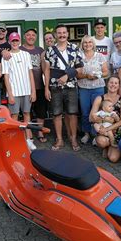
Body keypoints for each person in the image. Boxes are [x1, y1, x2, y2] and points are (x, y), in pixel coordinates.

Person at [44, 24, 83, 152]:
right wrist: (46, 88)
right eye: (59, 33)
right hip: (55, 85)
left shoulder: (75, 48)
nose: (62, 35)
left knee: (72, 113)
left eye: (64, 33)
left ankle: (73, 138)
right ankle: (59, 139)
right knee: (56, 114)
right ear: (55, 35)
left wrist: (67, 76)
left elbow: (79, 68)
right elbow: (46, 70)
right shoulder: (50, 50)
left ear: (67, 34)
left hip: (71, 84)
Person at [2, 32, 37, 150]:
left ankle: (28, 139)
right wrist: (10, 94)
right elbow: (6, 76)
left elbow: (30, 73)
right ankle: (14, 140)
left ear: (19, 41)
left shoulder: (26, 54)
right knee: (14, 116)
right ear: (10, 42)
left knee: (27, 114)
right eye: (13, 41)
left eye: (16, 40)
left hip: (26, 91)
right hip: (14, 92)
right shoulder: (6, 56)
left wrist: (33, 91)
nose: (15, 43)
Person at [76, 35, 108, 145]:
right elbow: (77, 74)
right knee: (85, 112)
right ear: (82, 44)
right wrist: (86, 76)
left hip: (98, 88)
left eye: (90, 42)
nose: (87, 44)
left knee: (98, 113)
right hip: (84, 88)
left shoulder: (100, 56)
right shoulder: (78, 56)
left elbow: (106, 72)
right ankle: (86, 133)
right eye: (85, 42)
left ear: (93, 44)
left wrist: (97, 75)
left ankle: (96, 133)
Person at [89, 76, 121, 162]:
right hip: (103, 130)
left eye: (116, 83)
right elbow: (91, 118)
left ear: (119, 86)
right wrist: (105, 120)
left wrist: (108, 128)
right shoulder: (100, 98)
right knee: (101, 142)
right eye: (111, 82)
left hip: (116, 130)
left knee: (113, 159)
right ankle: (106, 146)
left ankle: (112, 146)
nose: (113, 85)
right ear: (107, 84)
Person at [20, 28, 48, 143]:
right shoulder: (20, 49)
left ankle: (40, 131)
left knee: (41, 110)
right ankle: (29, 132)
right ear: (24, 37)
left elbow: (44, 68)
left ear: (36, 37)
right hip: (25, 87)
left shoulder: (40, 50)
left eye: (33, 35)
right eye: (28, 35)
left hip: (39, 85)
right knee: (27, 111)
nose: (31, 37)